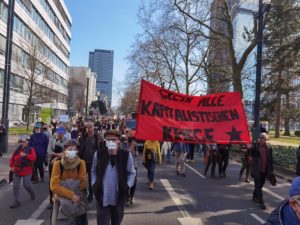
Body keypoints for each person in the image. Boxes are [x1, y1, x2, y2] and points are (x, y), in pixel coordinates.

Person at [91, 129, 136, 225]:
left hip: (119, 198)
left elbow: (132, 172)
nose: (111, 142)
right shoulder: (98, 154)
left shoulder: (126, 155)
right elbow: (93, 171)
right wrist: (94, 184)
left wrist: (127, 186)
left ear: (118, 141)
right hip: (102, 198)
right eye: (108, 140)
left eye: (113, 140)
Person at [50, 139, 88, 225]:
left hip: (78, 201)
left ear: (77, 151)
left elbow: (83, 184)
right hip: (62, 203)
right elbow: (54, 186)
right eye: (70, 149)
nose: (72, 152)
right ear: (65, 150)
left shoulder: (81, 163)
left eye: (74, 150)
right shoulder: (58, 164)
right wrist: (72, 195)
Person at [9, 135, 36, 208]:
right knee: (15, 186)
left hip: (27, 170)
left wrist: (25, 155)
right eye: (21, 142)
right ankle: (16, 201)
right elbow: (12, 160)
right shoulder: (17, 150)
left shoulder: (31, 149)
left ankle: (32, 194)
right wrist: (12, 167)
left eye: (24, 142)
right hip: (17, 171)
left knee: (26, 185)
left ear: (27, 142)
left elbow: (33, 158)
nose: (22, 143)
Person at [78, 121, 100, 202]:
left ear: (93, 127)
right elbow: (80, 148)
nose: (89, 129)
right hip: (83, 162)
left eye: (90, 127)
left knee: (91, 181)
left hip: (93, 162)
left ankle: (90, 197)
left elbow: (101, 149)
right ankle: (83, 195)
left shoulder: (97, 137)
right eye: (87, 128)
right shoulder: (83, 137)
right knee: (82, 179)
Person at [251, 133, 274, 210]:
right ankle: (261, 202)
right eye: (261, 138)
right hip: (257, 170)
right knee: (258, 185)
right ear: (259, 139)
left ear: (265, 139)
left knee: (260, 185)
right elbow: (250, 155)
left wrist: (271, 170)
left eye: (263, 138)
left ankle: (254, 195)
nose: (262, 139)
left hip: (264, 170)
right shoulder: (255, 147)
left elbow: (270, 160)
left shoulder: (268, 148)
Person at [47, 127, 68, 207]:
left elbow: (66, 152)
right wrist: (57, 155)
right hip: (52, 162)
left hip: (63, 163)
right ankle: (51, 201)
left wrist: (57, 157)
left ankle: (62, 199)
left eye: (61, 134)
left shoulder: (66, 141)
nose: (60, 135)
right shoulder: (52, 140)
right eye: (59, 133)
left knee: (62, 182)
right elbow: (49, 151)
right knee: (52, 181)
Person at [126, 136, 138, 205]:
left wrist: (135, 149)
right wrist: (131, 147)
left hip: (134, 167)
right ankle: (127, 197)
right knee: (127, 182)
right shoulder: (126, 146)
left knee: (134, 182)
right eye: (134, 141)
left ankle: (131, 196)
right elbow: (126, 153)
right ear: (130, 142)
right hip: (126, 167)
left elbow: (137, 155)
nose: (135, 143)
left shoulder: (135, 148)